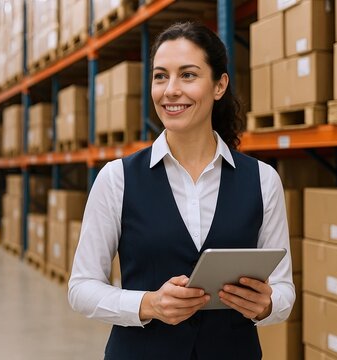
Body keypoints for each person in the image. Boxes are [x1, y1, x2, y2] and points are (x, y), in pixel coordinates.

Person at [68, 21, 295, 359]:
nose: (170, 90)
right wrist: (148, 304)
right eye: (161, 76)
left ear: (219, 85)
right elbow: (81, 288)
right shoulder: (117, 178)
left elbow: (284, 290)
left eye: (188, 75)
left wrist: (266, 305)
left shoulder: (262, 180)